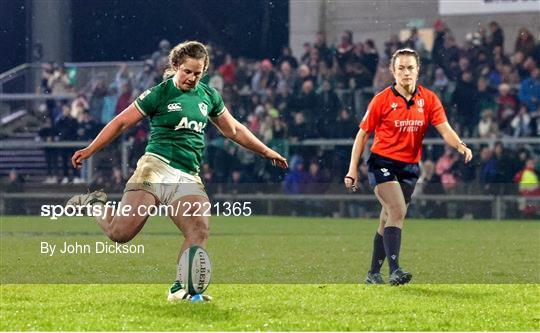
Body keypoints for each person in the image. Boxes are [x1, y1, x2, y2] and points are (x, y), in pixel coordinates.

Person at [66, 41, 288, 301]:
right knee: (120, 234)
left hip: (187, 175)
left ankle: (180, 289)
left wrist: (266, 151)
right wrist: (91, 149)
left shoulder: (209, 96)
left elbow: (234, 130)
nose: (192, 78)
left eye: (198, 73)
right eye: (187, 72)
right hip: (154, 168)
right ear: (175, 67)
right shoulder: (158, 94)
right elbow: (120, 123)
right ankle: (96, 203)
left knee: (199, 230)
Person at [344, 49, 472, 285]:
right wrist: (353, 169)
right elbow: (362, 135)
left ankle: (373, 273)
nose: (406, 72)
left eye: (410, 68)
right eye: (401, 68)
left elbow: (445, 129)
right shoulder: (382, 100)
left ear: (418, 70)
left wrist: (460, 145)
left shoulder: (429, 99)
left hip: (410, 167)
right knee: (398, 210)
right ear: (393, 71)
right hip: (381, 162)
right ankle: (395, 270)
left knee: (387, 218)